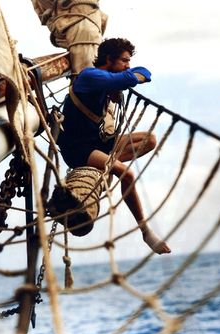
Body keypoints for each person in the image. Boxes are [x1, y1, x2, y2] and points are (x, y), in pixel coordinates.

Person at [57, 38, 171, 255]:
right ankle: (146, 231)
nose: (128, 65)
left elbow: (144, 72)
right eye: (124, 60)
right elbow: (132, 77)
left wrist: (125, 79)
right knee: (126, 175)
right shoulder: (91, 76)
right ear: (109, 59)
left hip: (99, 142)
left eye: (129, 61)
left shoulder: (107, 80)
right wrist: (125, 79)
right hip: (79, 149)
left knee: (150, 139)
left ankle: (108, 164)